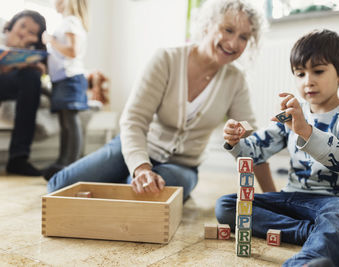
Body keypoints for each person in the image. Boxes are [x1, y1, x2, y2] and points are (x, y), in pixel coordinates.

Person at [47, 0, 264, 200]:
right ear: (208, 25)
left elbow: (251, 142)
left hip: (181, 167)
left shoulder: (236, 80)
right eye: (228, 30)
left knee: (141, 194)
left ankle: (126, 185)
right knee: (60, 186)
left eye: (244, 37)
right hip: (135, 146)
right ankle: (125, 178)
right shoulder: (167, 59)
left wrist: (274, 197)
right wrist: (141, 167)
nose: (234, 43)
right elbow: (134, 120)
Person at [216, 29, 339, 267]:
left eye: (318, 71)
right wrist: (235, 141)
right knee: (228, 206)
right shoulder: (291, 112)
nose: (307, 81)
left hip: (337, 200)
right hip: (292, 197)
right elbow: (254, 153)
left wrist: (306, 131)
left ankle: (309, 260)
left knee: (338, 216)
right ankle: (311, 234)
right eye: (300, 74)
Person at [41, 0, 89, 180]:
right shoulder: (66, 22)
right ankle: (62, 162)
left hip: (70, 78)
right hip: (61, 79)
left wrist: (50, 40)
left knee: (70, 122)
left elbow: (72, 51)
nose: (56, 2)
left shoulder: (71, 22)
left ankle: (72, 164)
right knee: (64, 124)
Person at [0, 10, 47, 176]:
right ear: (13, 24)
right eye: (23, 26)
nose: (24, 33)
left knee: (32, 76)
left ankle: (18, 159)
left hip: (14, 85)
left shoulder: (32, 53)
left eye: (32, 32)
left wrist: (34, 66)